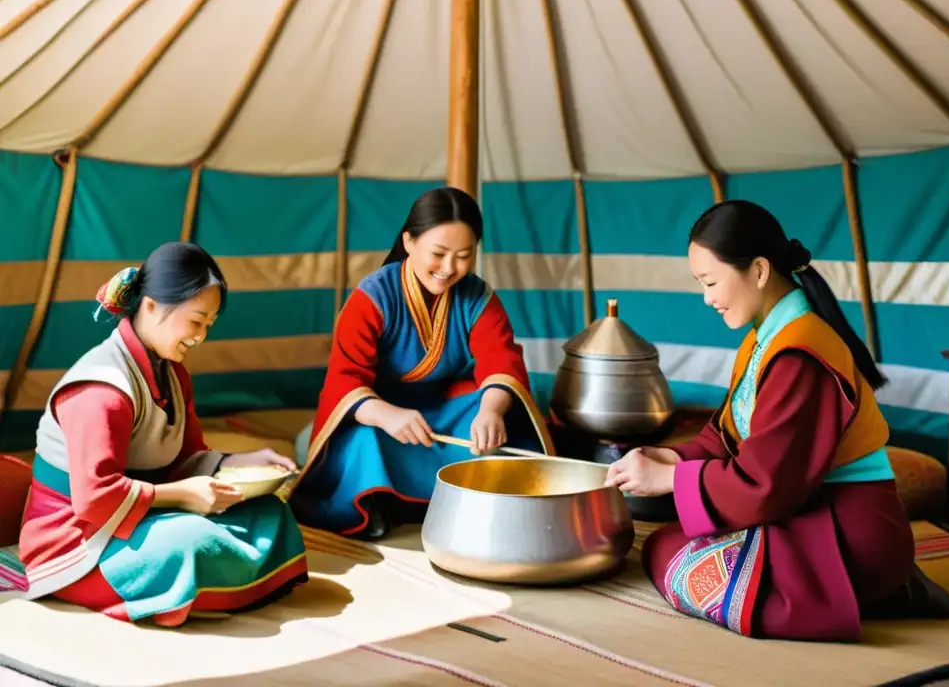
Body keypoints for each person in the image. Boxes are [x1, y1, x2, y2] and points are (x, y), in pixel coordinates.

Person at [604, 200, 949, 641]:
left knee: (677, 557)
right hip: (809, 509)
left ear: (757, 270)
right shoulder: (766, 338)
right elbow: (727, 434)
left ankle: (866, 589)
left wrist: (674, 480)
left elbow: (767, 482)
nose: (707, 298)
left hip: (848, 529)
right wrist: (671, 457)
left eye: (711, 282)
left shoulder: (800, 354)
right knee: (668, 543)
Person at [7, 242, 308, 626]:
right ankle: (195, 588)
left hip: (138, 515)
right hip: (78, 542)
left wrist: (244, 461)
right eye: (196, 320)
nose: (201, 336)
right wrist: (183, 495)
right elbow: (94, 499)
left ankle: (202, 588)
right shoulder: (102, 390)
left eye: (209, 325)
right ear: (150, 306)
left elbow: (187, 458)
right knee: (192, 541)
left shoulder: (172, 373)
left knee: (269, 514)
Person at [285, 186, 554, 540]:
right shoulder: (372, 297)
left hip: (445, 414)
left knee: (500, 423)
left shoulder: (478, 297)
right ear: (409, 241)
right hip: (381, 416)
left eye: (463, 255)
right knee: (365, 442)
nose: (449, 268)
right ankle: (384, 500)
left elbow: (500, 359)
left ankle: (430, 496)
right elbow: (344, 381)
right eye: (439, 253)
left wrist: (491, 411)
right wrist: (387, 415)